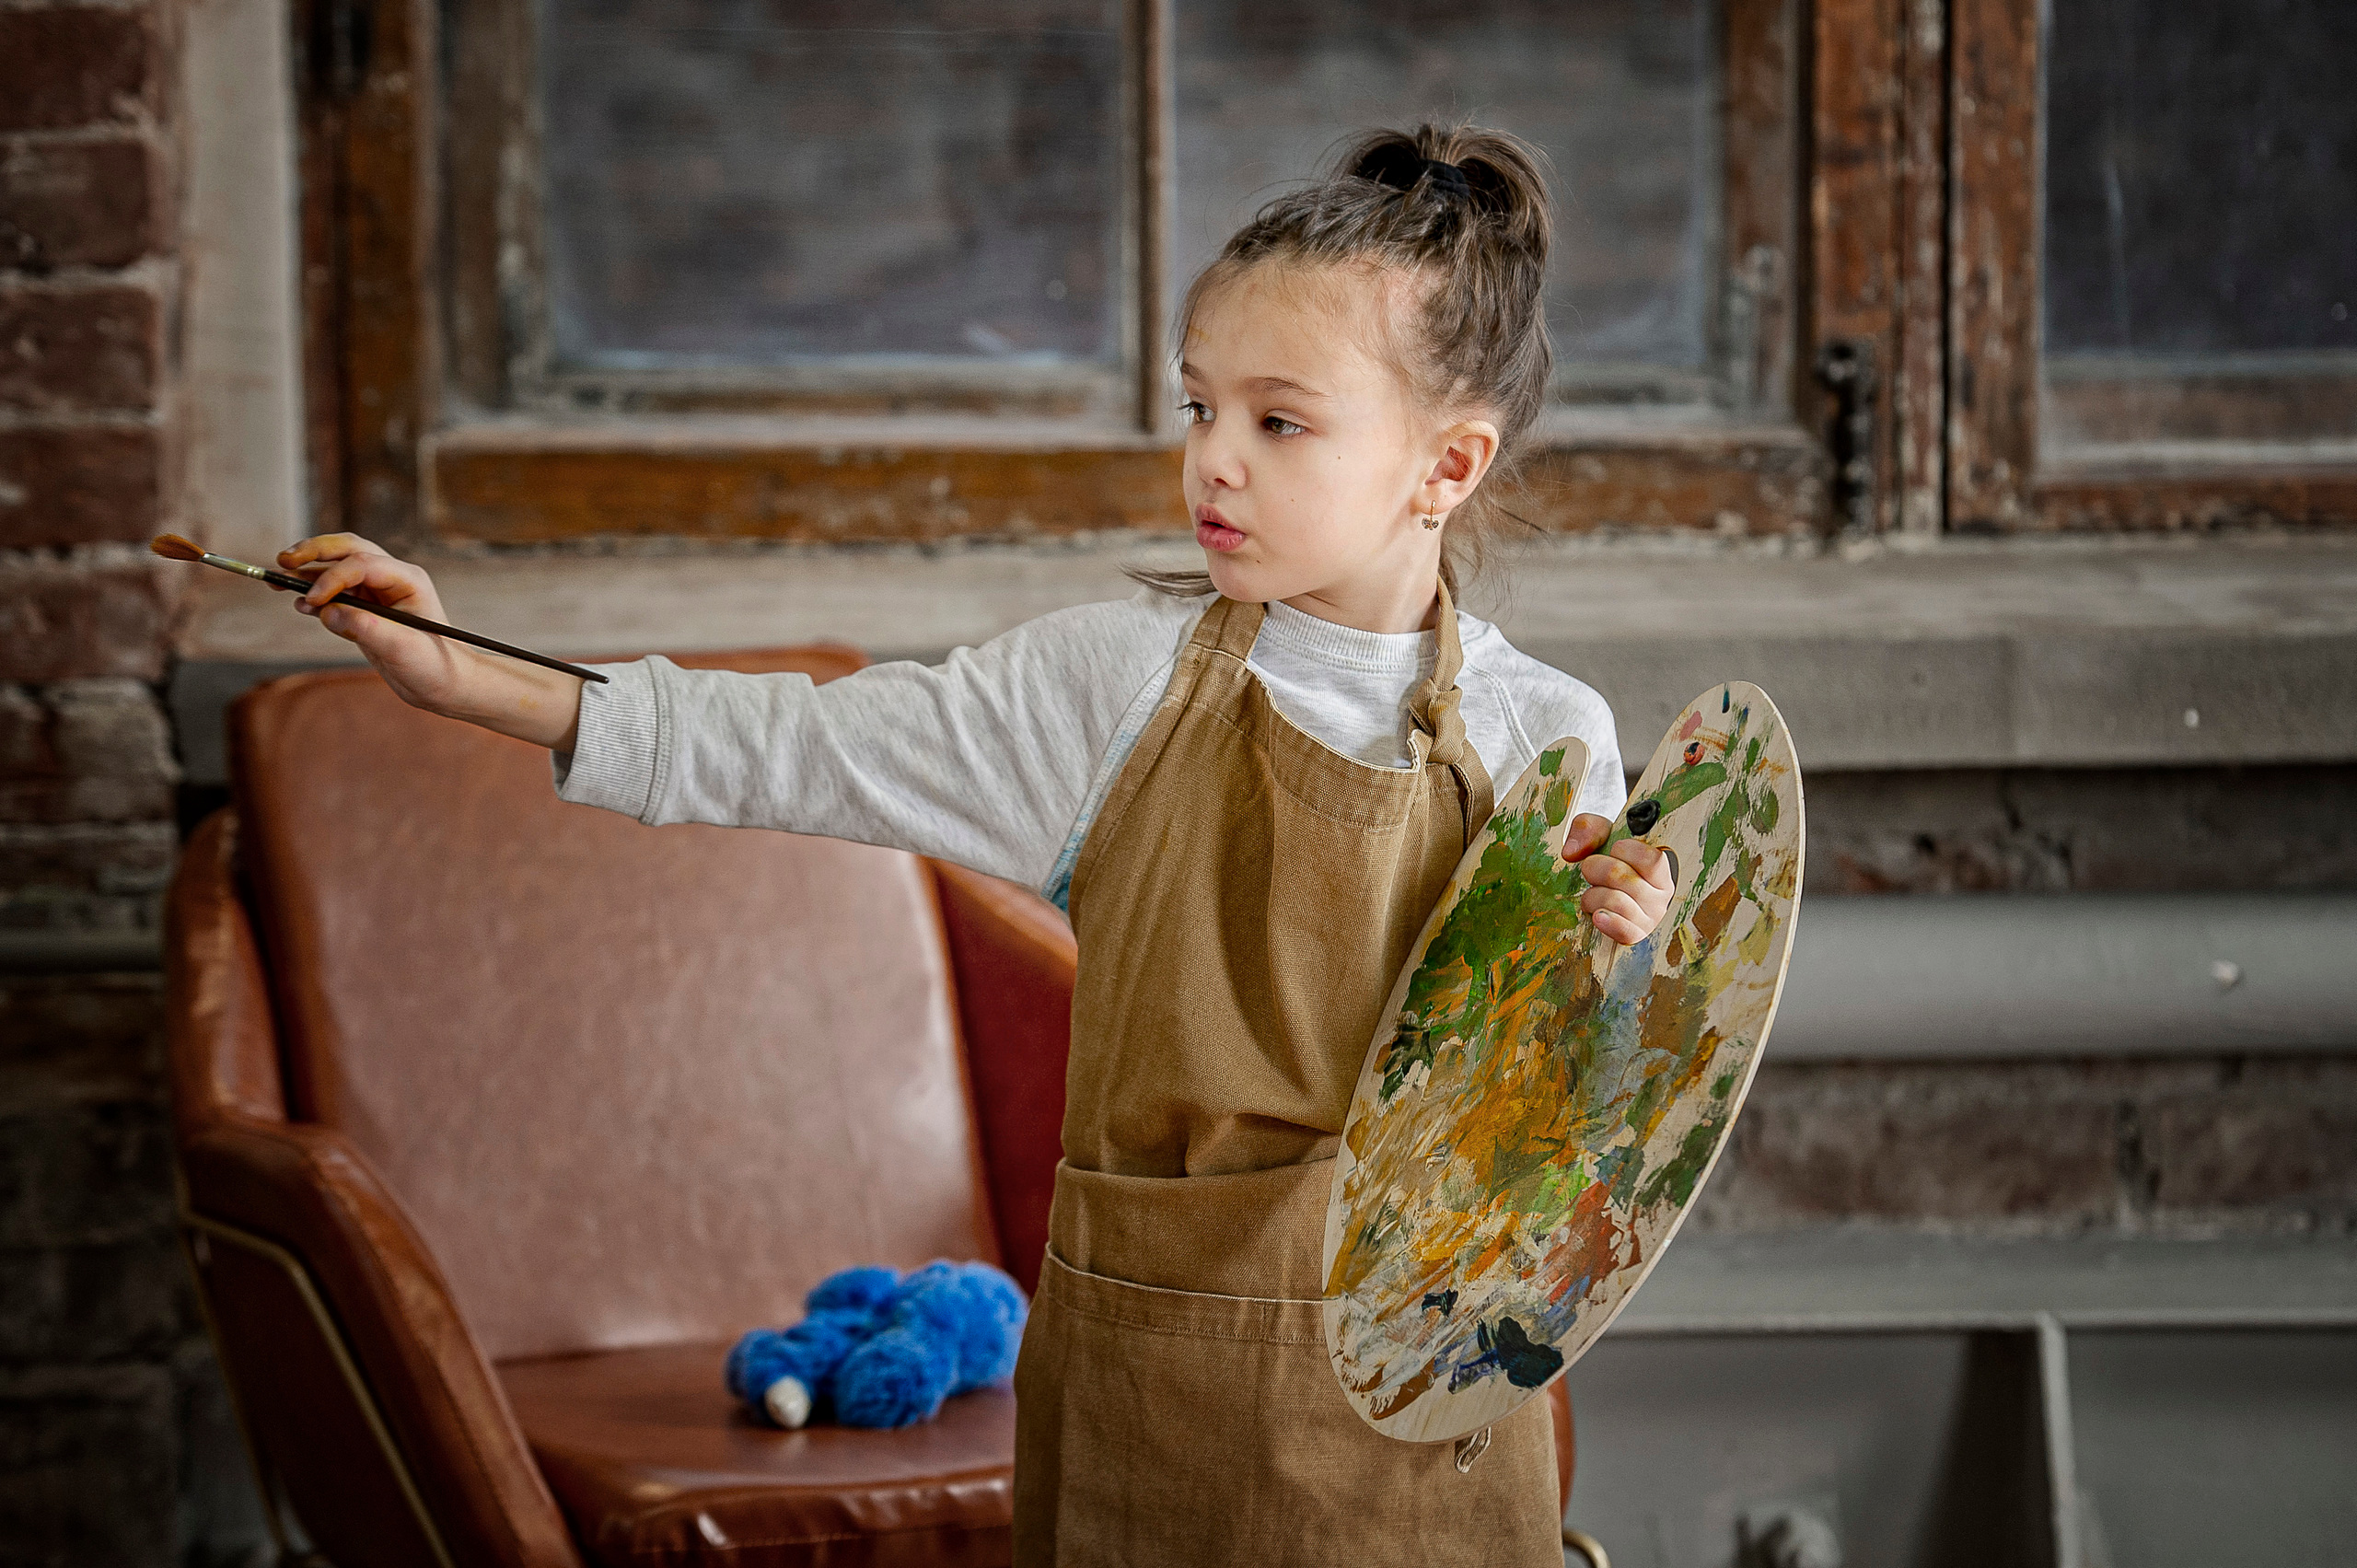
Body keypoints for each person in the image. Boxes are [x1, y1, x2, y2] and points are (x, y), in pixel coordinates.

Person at [276, 122, 1674, 1566]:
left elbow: (1574, 1129)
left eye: (1280, 421)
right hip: (1156, 1406)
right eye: (1198, 407)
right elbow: (791, 748)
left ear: (1446, 465)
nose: (1213, 462)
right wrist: (461, 675)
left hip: (1433, 1431)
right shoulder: (1111, 685)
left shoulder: (1546, 733)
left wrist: (1623, 948)